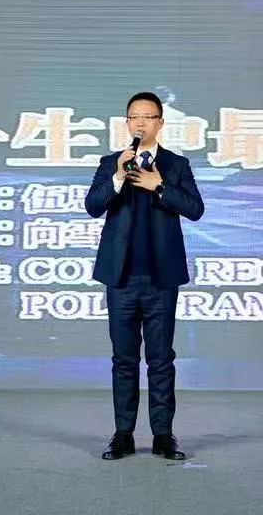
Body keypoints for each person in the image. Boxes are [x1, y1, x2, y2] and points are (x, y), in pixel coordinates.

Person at [84, 91, 205, 461]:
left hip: (160, 279)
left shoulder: (176, 165)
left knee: (161, 360)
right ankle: (123, 434)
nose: (140, 123)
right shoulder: (111, 163)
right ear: (127, 123)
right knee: (123, 360)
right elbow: (92, 206)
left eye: (148, 117)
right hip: (121, 278)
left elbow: (195, 209)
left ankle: (163, 436)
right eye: (134, 117)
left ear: (160, 123)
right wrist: (119, 177)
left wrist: (160, 186)